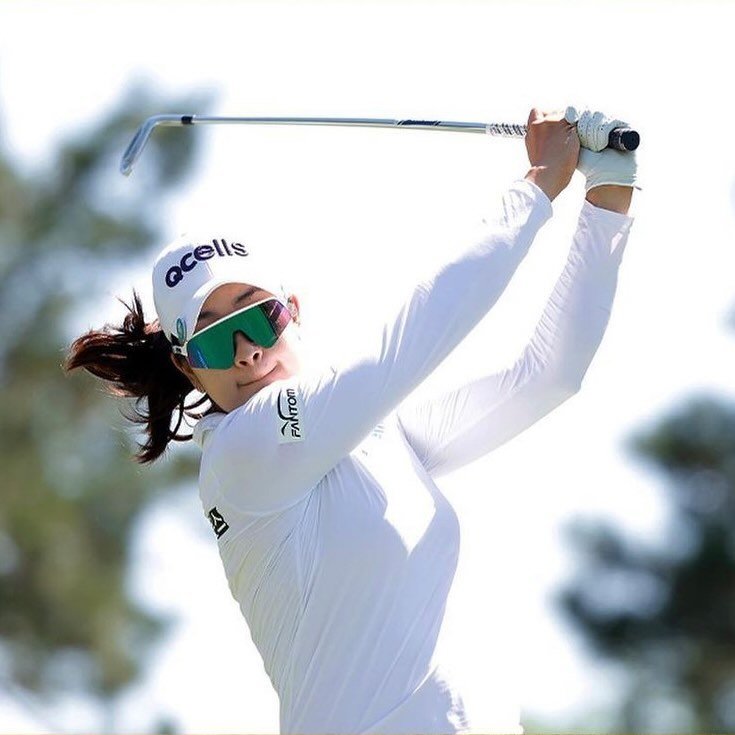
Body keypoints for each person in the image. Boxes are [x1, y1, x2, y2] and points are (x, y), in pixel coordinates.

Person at [65, 107, 638, 734]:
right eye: (213, 341)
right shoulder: (241, 454)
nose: (247, 352)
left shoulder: (376, 437)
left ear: (293, 310)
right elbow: (404, 348)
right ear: (187, 367)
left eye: (258, 318)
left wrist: (607, 197)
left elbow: (547, 377)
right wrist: (535, 187)